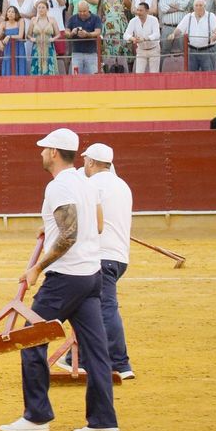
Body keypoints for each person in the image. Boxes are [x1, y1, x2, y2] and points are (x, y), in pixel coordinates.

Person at [0, 128, 118, 431]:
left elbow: (69, 235)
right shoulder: (85, 182)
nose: (40, 153)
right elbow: (98, 224)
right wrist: (50, 225)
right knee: (96, 349)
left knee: (31, 338)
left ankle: (37, 416)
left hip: (65, 277)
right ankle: (103, 420)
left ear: (54, 153)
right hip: (91, 276)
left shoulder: (59, 186)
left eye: (43, 149)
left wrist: (36, 268)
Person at [84, 142, 134, 381]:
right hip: (119, 256)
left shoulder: (91, 184)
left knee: (105, 308)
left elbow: (87, 218)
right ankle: (79, 357)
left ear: (92, 162)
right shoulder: (122, 185)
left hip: (101, 255)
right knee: (89, 307)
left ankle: (120, 363)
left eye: (85, 160)